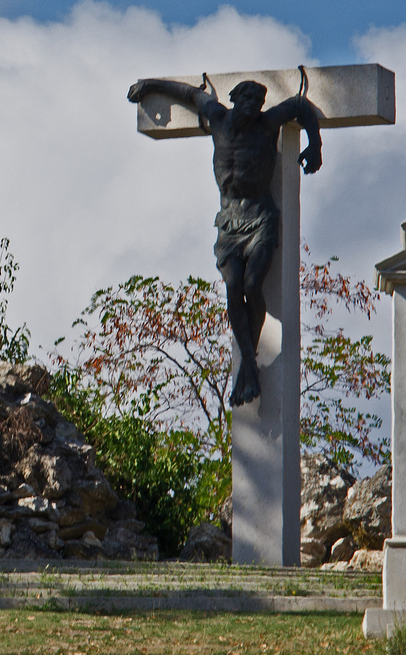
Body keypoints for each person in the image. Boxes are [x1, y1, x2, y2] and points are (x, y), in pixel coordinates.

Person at [124, 73, 321, 406]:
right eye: (247, 101)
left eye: (258, 103)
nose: (254, 107)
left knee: (253, 285)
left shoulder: (267, 124)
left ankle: (247, 368)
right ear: (234, 100)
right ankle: (249, 366)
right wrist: (150, 85)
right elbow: (189, 94)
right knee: (232, 286)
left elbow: (300, 105)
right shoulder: (217, 117)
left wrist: (314, 144)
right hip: (228, 222)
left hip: (260, 218)